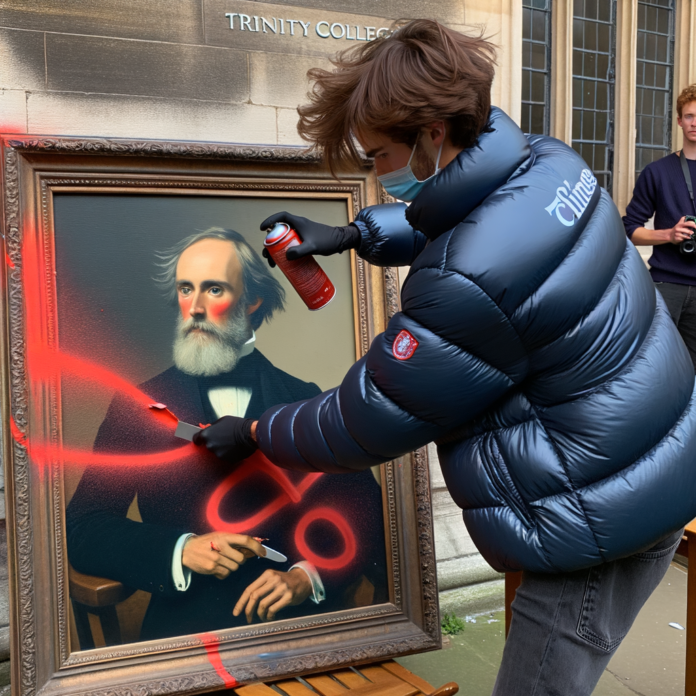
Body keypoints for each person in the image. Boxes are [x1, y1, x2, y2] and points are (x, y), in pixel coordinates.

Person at [192, 20, 696, 696]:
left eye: (376, 157)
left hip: (598, 521)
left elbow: (368, 419)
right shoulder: (550, 163)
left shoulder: (464, 284)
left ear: (432, 135)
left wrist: (256, 432)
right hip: (652, 461)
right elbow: (465, 214)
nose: (375, 173)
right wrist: (354, 233)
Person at [66, 228, 387, 643]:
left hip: (299, 631)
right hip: (186, 632)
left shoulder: (305, 400)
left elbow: (365, 513)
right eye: (186, 289)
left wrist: (308, 576)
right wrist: (180, 550)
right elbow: (84, 526)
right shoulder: (139, 409)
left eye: (213, 289)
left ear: (252, 301)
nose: (194, 308)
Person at [623, 83, 696, 370]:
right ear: (679, 120)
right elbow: (629, 229)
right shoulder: (657, 171)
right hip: (666, 285)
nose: (695, 123)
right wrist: (669, 234)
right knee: (650, 366)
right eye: (689, 116)